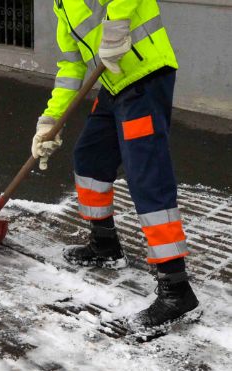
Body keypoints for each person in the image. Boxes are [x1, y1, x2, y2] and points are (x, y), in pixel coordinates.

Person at [31, 0, 199, 332]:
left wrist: (117, 23)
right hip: (113, 86)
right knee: (90, 159)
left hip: (144, 79)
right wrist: (49, 122)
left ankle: (176, 289)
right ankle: (105, 246)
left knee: (146, 176)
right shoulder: (62, 6)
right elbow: (71, 66)